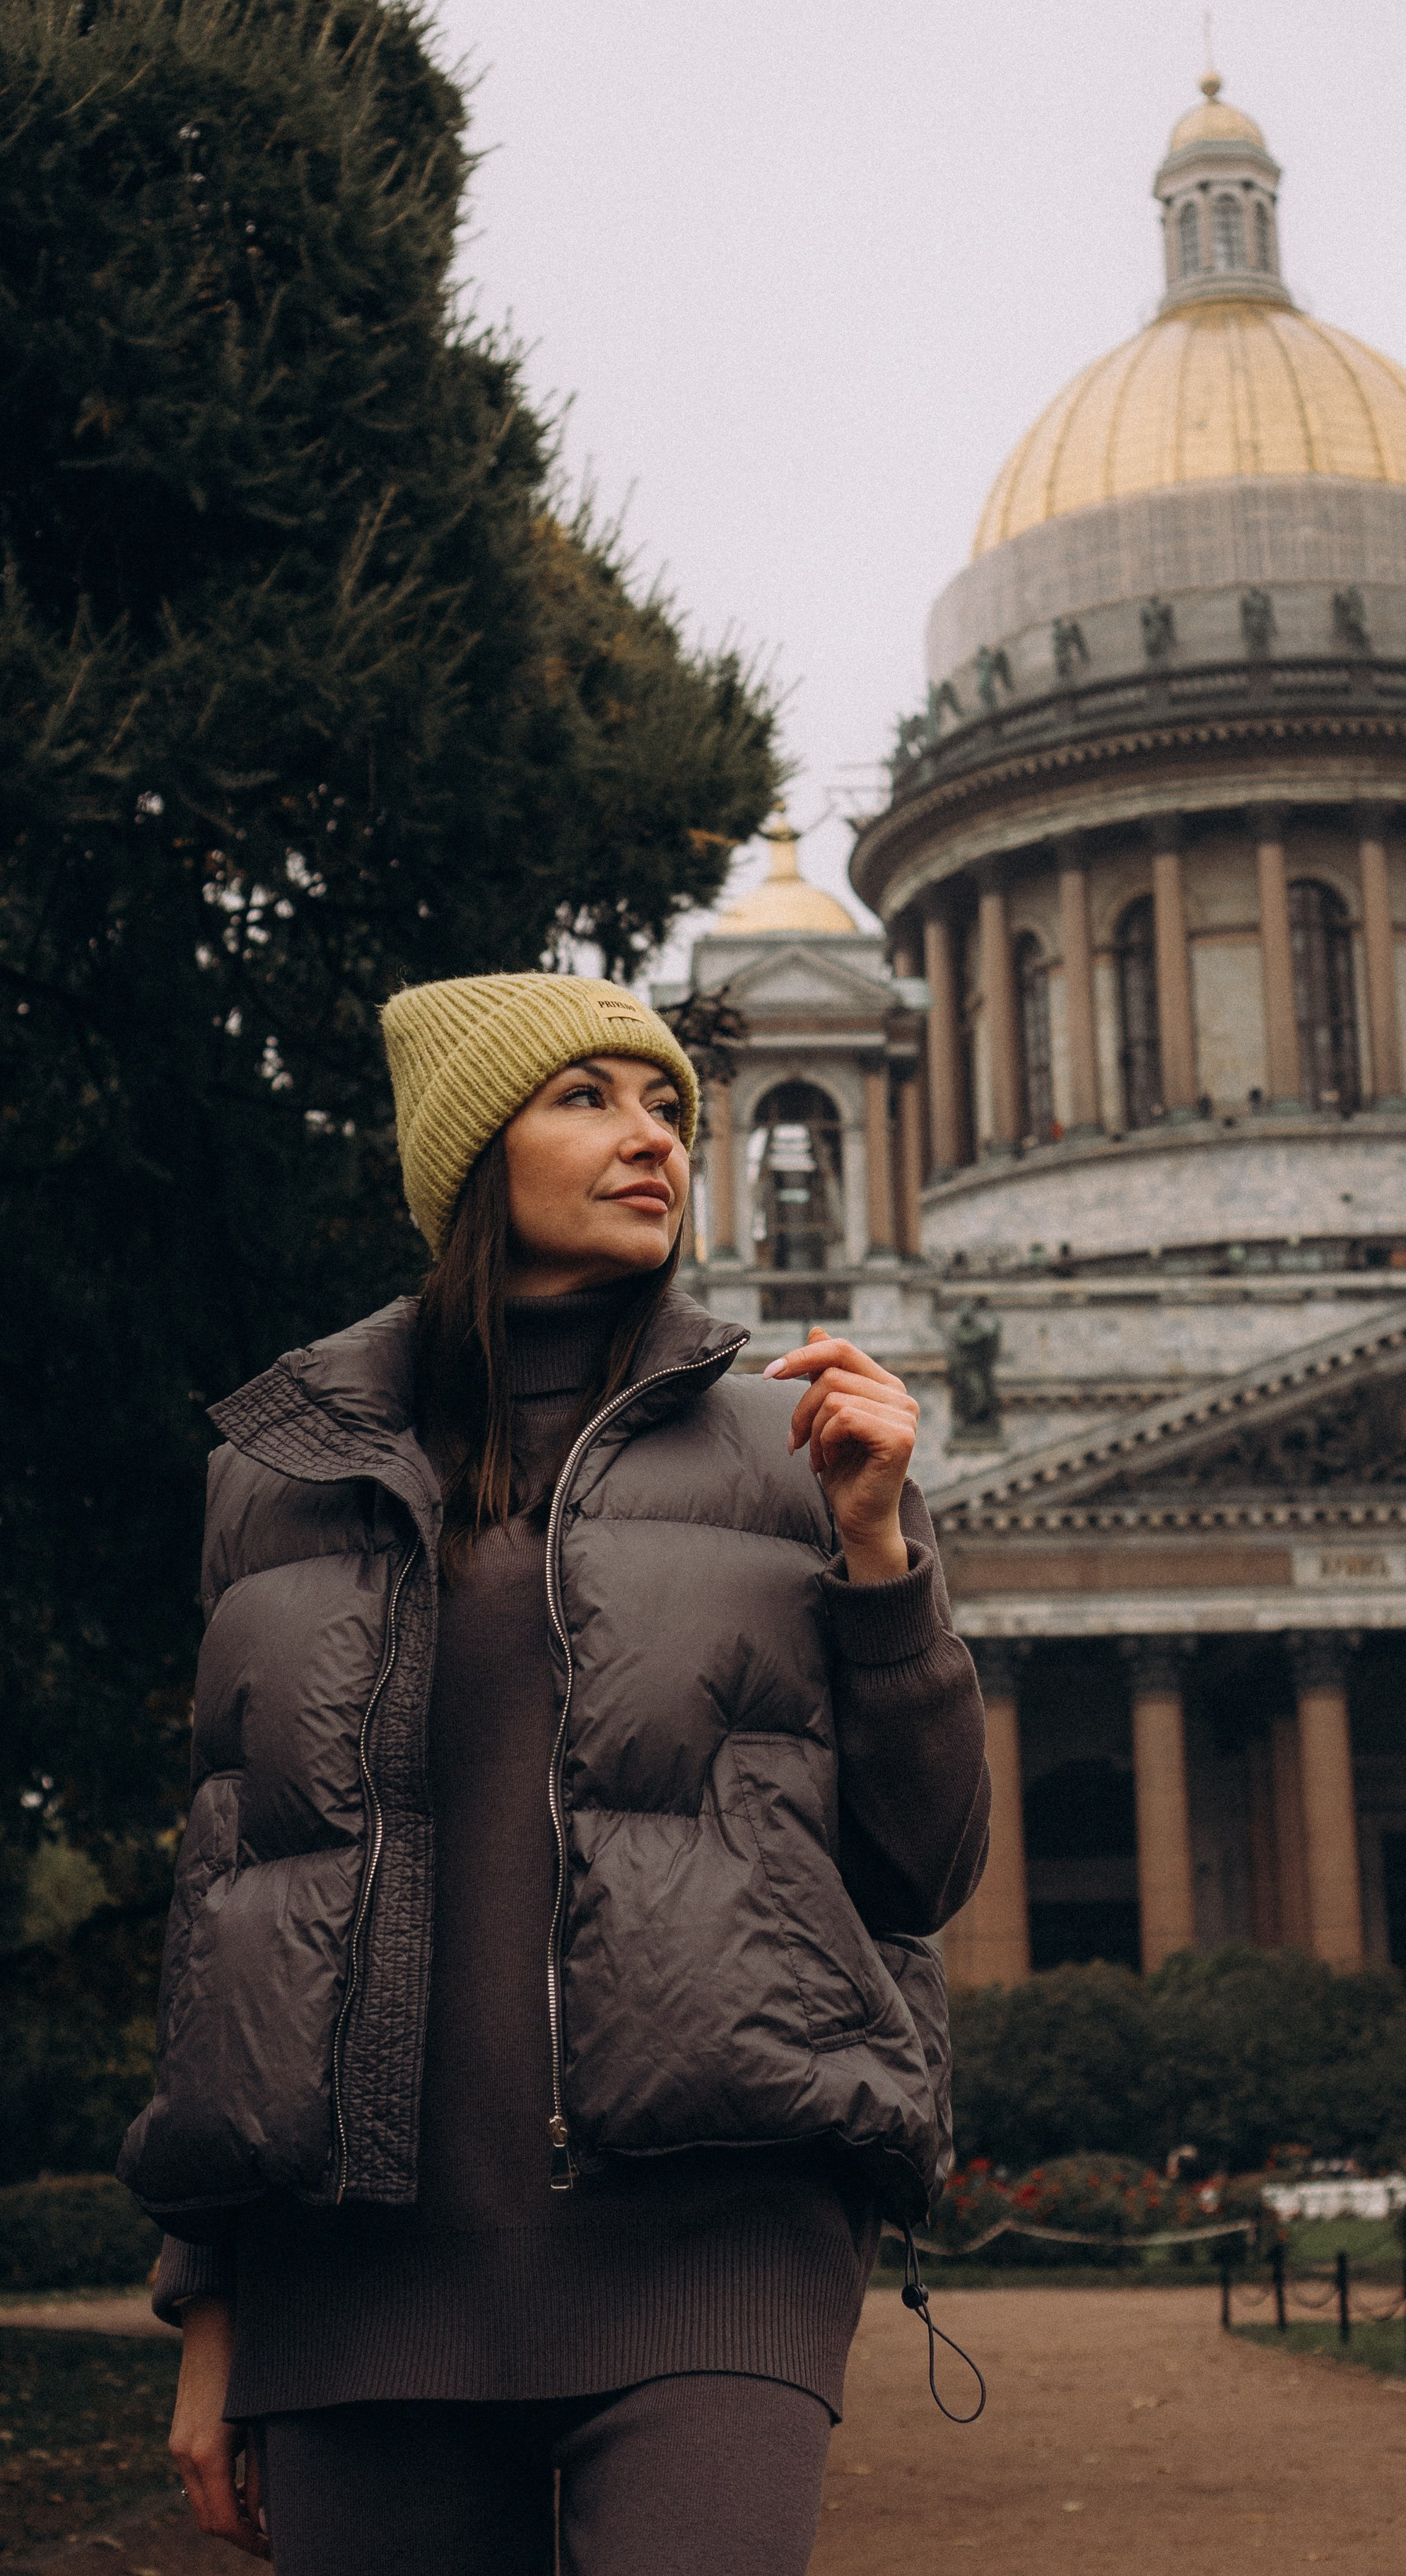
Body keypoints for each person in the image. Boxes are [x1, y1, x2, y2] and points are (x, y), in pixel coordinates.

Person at [119, 971, 990, 2575]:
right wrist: (209, 2296)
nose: (651, 1137)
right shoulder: (277, 1472)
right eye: (586, 1099)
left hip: (711, 2248)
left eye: (667, 1105)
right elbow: (237, 1913)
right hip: (357, 2280)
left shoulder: (797, 1450)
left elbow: (922, 1869)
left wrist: (882, 1556)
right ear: (469, 1156)